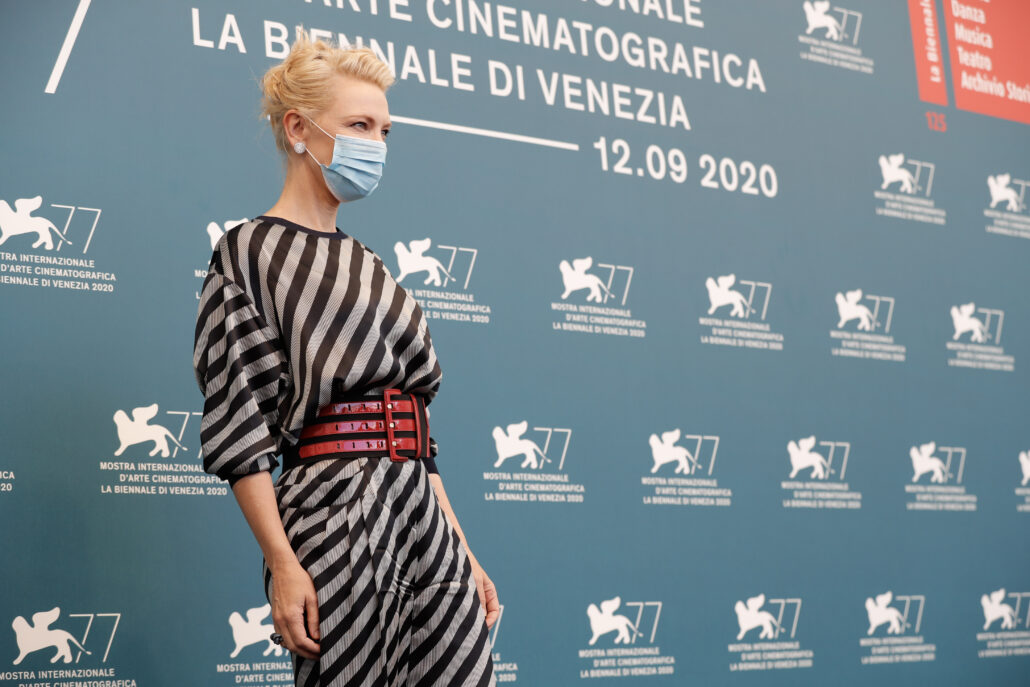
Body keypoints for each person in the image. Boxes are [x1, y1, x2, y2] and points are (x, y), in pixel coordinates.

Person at [192, 27, 498, 686]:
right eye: (360, 124)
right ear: (298, 128)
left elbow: (415, 424)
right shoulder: (248, 253)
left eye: (385, 131)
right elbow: (241, 423)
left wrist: (461, 546)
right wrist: (282, 561)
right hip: (333, 507)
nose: (376, 144)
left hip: (419, 504)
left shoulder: (372, 264)